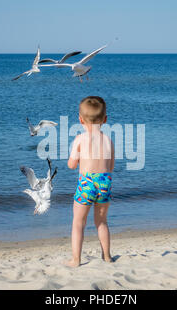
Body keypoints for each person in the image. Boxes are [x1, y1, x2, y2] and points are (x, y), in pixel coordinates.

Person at [66, 96, 115, 267]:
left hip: (87, 182)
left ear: (80, 120)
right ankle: (107, 256)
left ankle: (76, 259)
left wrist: (78, 160)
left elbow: (71, 165)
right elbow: (111, 165)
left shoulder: (80, 139)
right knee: (101, 221)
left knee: (78, 222)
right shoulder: (109, 141)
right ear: (105, 120)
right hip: (104, 181)